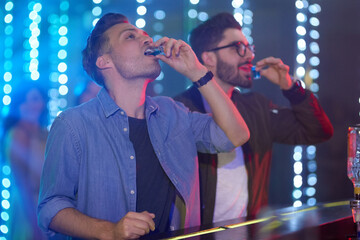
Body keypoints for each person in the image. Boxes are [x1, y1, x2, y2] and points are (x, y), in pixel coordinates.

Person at [37, 12, 250, 239]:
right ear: (104, 61)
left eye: (146, 35)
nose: (148, 40)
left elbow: (235, 136)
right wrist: (110, 231)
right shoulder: (73, 124)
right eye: (130, 37)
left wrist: (197, 72)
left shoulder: (173, 113)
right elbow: (50, 207)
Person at [174, 12, 334, 224]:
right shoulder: (179, 109)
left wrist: (291, 87)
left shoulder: (256, 106)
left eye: (250, 48)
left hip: (250, 232)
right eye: (238, 47)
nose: (249, 56)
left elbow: (318, 131)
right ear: (208, 58)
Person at [1, 81, 49, 240]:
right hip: (28, 205)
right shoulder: (17, 135)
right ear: (18, 105)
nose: (31, 105)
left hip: (48, 204)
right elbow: (22, 184)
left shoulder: (46, 133)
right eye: (25, 100)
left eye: (35, 99)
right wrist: (35, 224)